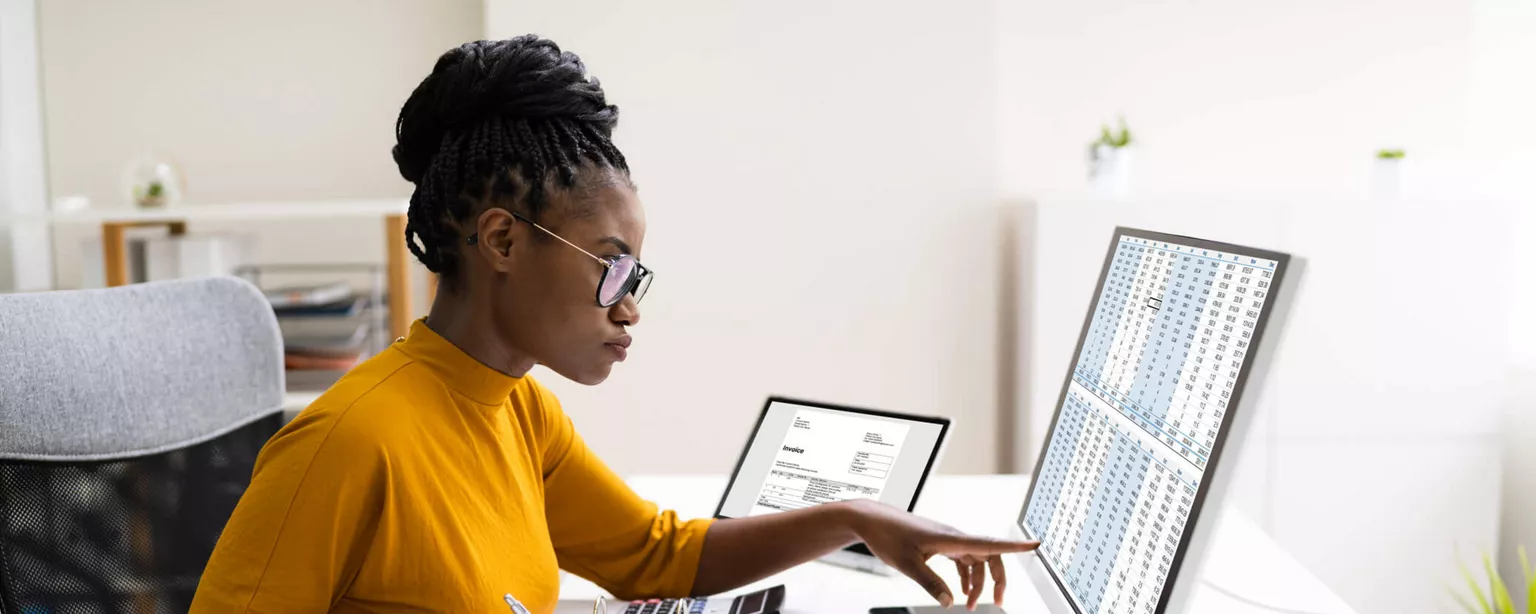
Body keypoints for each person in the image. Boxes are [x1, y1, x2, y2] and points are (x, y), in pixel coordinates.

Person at [191, 35, 1038, 614]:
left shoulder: (521, 415)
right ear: (501, 240)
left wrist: (857, 517)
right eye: (612, 268)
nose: (630, 307)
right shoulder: (348, 442)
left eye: (639, 276)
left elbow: (658, 558)